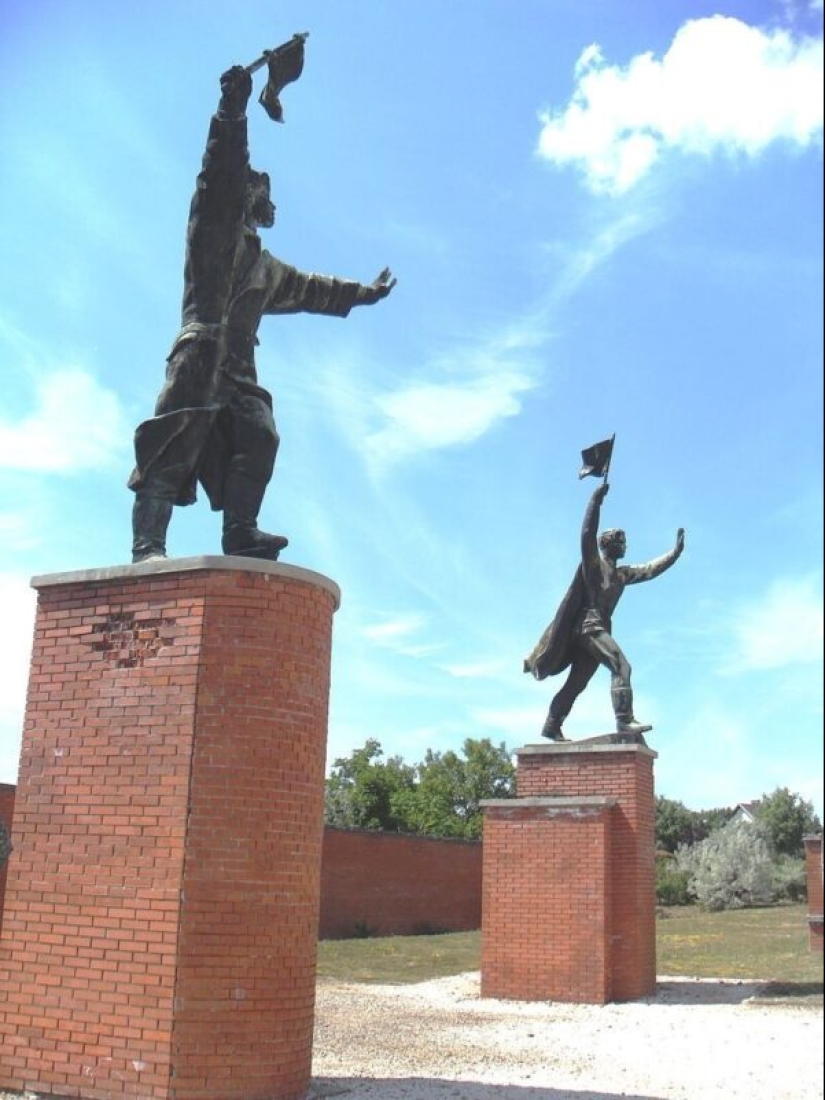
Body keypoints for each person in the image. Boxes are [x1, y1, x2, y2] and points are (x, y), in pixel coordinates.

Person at [127, 64, 396, 562]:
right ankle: (148, 547)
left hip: (238, 369)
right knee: (174, 445)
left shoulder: (266, 269)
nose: (269, 204)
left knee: (259, 433)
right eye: (262, 195)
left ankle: (240, 531)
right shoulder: (214, 229)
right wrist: (232, 114)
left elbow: (313, 288)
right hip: (201, 352)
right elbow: (221, 174)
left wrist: (363, 293)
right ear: (246, 196)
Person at [524, 482, 685, 740]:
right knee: (621, 666)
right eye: (621, 541)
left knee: (577, 683)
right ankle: (624, 720)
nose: (625, 546)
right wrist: (595, 502)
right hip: (588, 627)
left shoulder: (622, 575)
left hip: (598, 630)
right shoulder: (594, 567)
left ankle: (552, 724)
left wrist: (674, 554)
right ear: (608, 544)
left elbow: (649, 570)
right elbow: (587, 535)